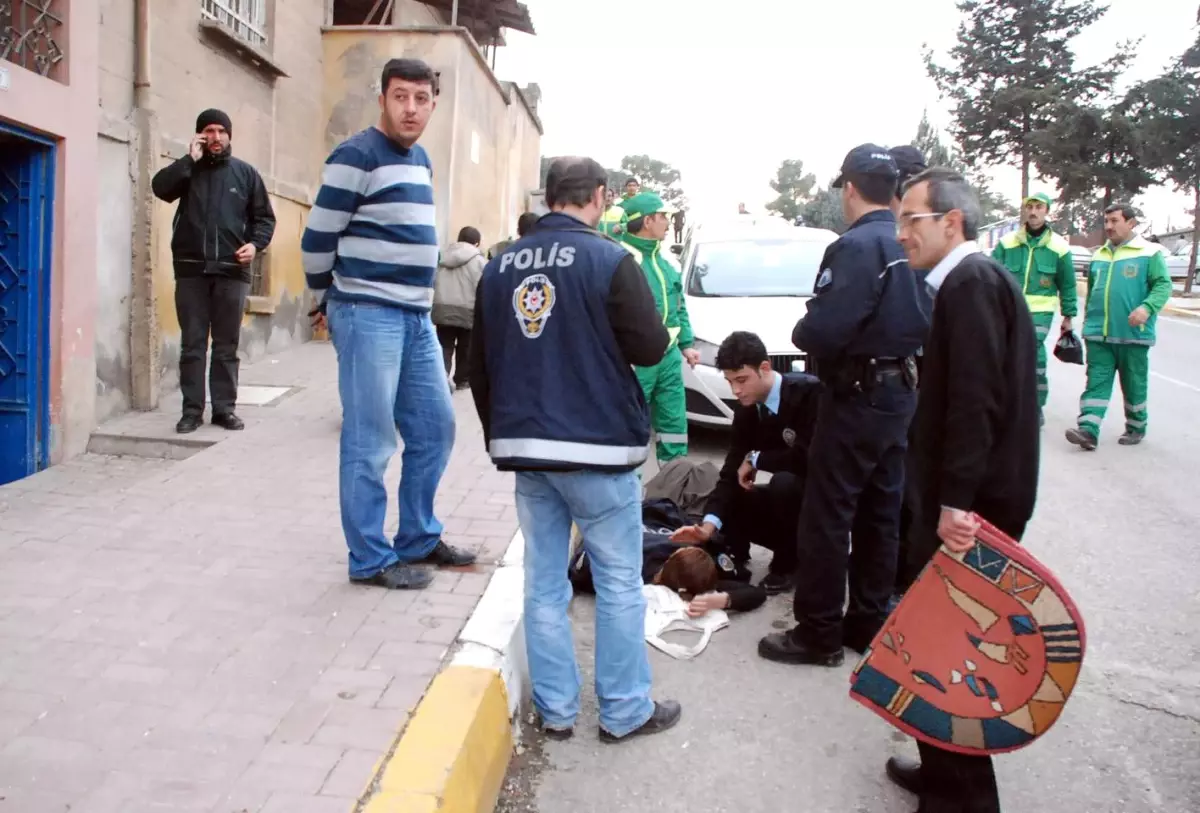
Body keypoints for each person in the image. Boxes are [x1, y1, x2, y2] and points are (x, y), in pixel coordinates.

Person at [469, 156, 680, 743]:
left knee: (543, 584)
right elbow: (649, 347)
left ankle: (557, 712)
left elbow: (478, 365)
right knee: (618, 582)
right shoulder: (610, 260)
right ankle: (624, 710)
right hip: (599, 450)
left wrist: (500, 436)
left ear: (549, 197)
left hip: (528, 451)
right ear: (600, 196)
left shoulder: (500, 265)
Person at [889, 167, 1041, 813]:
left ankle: (964, 798)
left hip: (972, 507)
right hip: (966, 498)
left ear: (951, 222)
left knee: (953, 652)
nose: (901, 234)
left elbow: (975, 402)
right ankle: (943, 774)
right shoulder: (965, 283)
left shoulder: (972, 283)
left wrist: (954, 503)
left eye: (911, 220)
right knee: (940, 642)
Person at [301, 58, 475, 591]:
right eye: (401, 97)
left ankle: (418, 537)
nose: (411, 108)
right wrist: (325, 298)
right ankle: (370, 558)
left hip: (416, 316)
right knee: (371, 440)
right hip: (367, 311)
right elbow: (317, 239)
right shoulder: (356, 155)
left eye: (421, 99)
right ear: (382, 99)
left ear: (433, 104)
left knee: (436, 428)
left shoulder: (420, 160)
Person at [758, 144, 928, 666]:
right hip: (900, 391)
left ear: (849, 189)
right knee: (881, 514)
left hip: (857, 395)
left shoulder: (856, 246)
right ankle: (868, 622)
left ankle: (819, 632)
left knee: (828, 515)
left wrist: (803, 327)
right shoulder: (909, 241)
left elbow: (826, 329)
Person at [152, 108, 276, 434]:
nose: (215, 137)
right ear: (199, 136)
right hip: (191, 272)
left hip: (232, 272)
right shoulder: (188, 170)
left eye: (221, 131)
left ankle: (224, 409)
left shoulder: (245, 174)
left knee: (226, 346)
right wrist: (187, 160)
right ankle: (191, 411)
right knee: (192, 346)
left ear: (229, 135)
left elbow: (265, 218)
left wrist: (255, 245)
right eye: (209, 131)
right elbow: (160, 188)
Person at [669, 331, 821, 594]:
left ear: (765, 368)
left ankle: (788, 564)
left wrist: (756, 459)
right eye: (729, 382)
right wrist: (708, 526)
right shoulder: (748, 410)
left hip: (821, 509)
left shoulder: (809, 394)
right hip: (790, 511)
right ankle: (734, 554)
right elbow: (731, 470)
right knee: (734, 490)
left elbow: (811, 458)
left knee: (784, 483)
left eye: (741, 380)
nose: (735, 390)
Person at [1067, 203, 1172, 450]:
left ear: (1131, 223)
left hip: (1133, 335)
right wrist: (1088, 323)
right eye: (1106, 221)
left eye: (1114, 221)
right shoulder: (1099, 255)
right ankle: (1088, 430)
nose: (1109, 226)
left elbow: (1163, 285)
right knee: (1096, 383)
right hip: (1098, 335)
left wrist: (1147, 308)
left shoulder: (1149, 253)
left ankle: (1136, 426)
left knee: (1134, 384)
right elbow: (1093, 292)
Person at [619, 191, 700, 464]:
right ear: (647, 221)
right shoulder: (622, 261)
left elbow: (678, 307)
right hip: (635, 361)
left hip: (669, 358)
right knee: (630, 424)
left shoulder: (665, 263)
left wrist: (686, 344)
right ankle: (628, 483)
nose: (668, 222)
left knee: (674, 424)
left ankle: (674, 481)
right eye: (663, 216)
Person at [991, 192, 1078, 420]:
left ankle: (1035, 406)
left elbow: (1067, 284)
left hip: (1040, 313)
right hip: (1008, 309)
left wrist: (1068, 315)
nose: (1033, 212)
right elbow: (990, 275)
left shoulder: (1059, 247)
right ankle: (1007, 403)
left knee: (1032, 353)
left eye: (1039, 207)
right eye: (1029, 207)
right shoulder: (1007, 243)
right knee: (1005, 354)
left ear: (1047, 211)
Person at [888, 144, 929, 605]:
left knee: (909, 483)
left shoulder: (920, 250)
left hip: (917, 383)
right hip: (914, 380)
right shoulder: (908, 242)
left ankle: (907, 579)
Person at [433, 226, 486, 390]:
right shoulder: (479, 261)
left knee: (444, 345)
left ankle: (441, 379)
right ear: (476, 243)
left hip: (442, 308)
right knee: (466, 346)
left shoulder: (443, 256)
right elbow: (483, 286)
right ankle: (462, 379)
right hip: (468, 309)